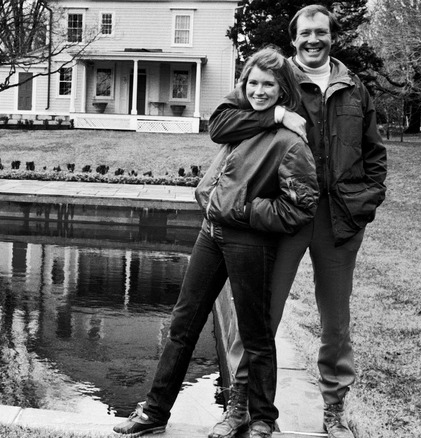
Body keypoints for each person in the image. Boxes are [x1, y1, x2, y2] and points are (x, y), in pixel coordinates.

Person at [113, 46, 319, 438]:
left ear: (282, 89)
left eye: (268, 85)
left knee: (255, 333)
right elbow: (219, 125)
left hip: (249, 241)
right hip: (211, 234)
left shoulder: (290, 142)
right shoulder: (242, 122)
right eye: (253, 83)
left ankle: (262, 419)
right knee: (183, 325)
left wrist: (246, 212)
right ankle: (155, 412)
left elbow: (301, 207)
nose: (259, 91)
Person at [206, 6, 388, 438]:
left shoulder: (354, 87)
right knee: (260, 314)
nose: (312, 39)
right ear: (294, 38)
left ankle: (334, 409)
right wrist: (276, 115)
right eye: (305, 33)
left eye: (320, 32)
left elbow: (374, 153)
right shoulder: (275, 77)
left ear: (331, 36)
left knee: (335, 321)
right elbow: (221, 123)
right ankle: (240, 405)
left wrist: (368, 200)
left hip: (339, 220)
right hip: (285, 215)